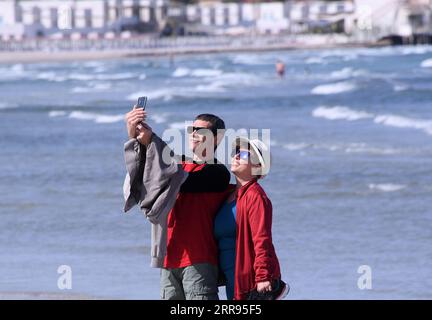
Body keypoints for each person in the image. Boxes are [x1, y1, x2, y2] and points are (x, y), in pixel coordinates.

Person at [124, 107, 230, 300]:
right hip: (168, 257)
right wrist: (135, 136)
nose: (195, 134)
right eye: (192, 130)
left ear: (216, 138)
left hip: (199, 258)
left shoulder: (219, 172)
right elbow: (147, 171)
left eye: (202, 131)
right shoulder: (178, 164)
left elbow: (177, 178)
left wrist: (152, 140)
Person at [214, 137, 288, 300]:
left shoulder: (255, 196)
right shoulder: (228, 194)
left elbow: (262, 239)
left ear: (257, 166)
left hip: (250, 281)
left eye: (244, 155)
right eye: (236, 152)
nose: (237, 156)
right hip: (232, 278)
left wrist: (262, 276)